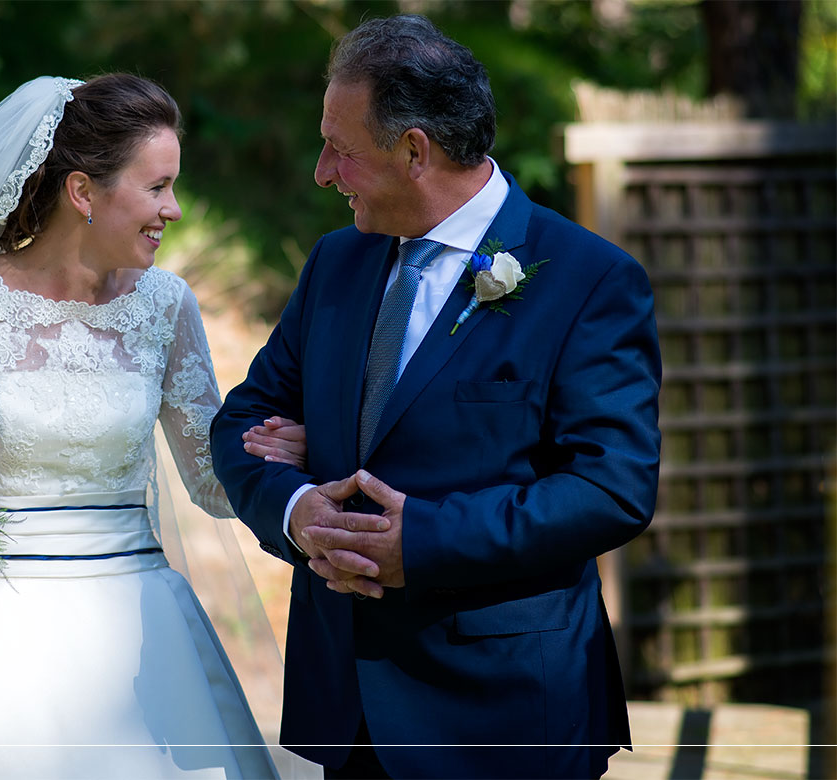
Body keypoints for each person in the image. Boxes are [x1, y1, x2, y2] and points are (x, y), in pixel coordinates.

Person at [0, 73, 311, 778]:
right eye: (157, 187)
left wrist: (284, 455)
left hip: (139, 625)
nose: (173, 210)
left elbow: (212, 479)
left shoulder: (166, 306)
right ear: (83, 192)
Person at [213, 14, 661, 780]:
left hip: (505, 714)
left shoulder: (589, 280)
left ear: (414, 150)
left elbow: (611, 487)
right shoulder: (336, 263)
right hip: (349, 709)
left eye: (340, 150)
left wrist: (417, 540)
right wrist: (298, 510)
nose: (323, 172)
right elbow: (243, 422)